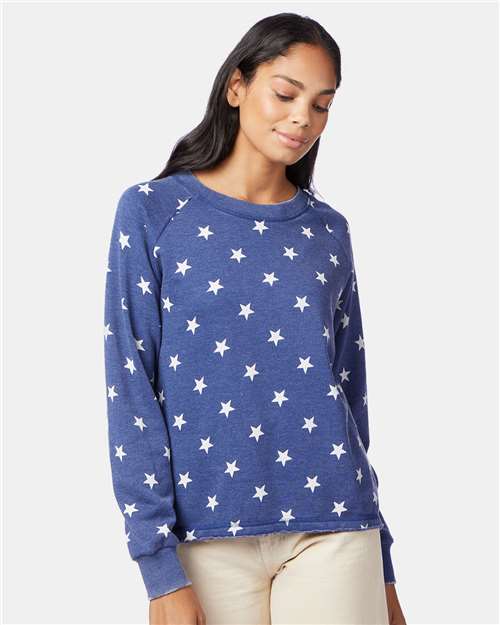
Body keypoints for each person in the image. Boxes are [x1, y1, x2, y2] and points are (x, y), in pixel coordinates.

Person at [103, 12, 407, 625]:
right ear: (236, 86)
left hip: (335, 527)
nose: (303, 119)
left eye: (322, 105)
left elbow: (351, 400)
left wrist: (384, 570)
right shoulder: (153, 212)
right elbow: (131, 388)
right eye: (286, 94)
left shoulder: (328, 231)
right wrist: (158, 569)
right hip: (206, 533)